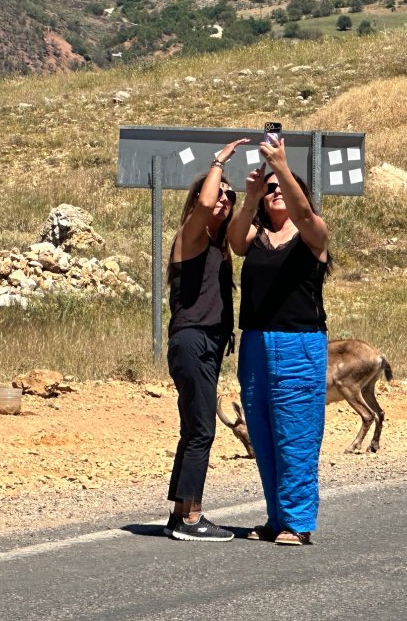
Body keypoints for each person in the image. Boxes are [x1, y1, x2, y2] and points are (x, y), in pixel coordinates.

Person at [226, 138, 330, 547]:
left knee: (297, 435)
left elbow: (304, 214)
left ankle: (298, 521)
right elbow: (235, 241)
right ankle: (276, 518)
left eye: (283, 188)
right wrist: (251, 196)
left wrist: (281, 168)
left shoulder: (312, 235)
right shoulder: (256, 236)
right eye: (271, 189)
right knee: (265, 434)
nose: (276, 192)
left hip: (299, 345)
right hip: (255, 343)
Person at [163, 138, 245, 542]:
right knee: (202, 431)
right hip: (193, 342)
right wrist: (219, 162)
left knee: (193, 428)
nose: (225, 198)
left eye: (231, 196)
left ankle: (180, 512)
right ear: (198, 200)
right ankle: (192, 518)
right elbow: (206, 201)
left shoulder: (216, 246)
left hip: (205, 346)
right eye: (219, 192)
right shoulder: (190, 237)